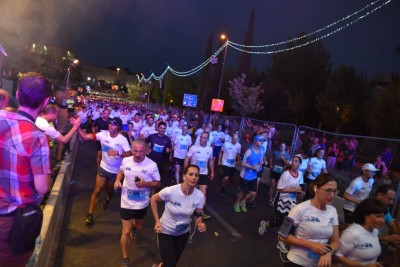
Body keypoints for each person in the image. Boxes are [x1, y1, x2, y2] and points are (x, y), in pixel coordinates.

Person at [0, 72, 52, 267]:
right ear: (45, 101)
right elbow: (42, 187)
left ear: (17, 94)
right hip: (11, 221)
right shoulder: (37, 137)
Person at [77, 117, 132, 226]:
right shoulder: (103, 135)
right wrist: (77, 126)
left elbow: (129, 154)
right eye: (110, 124)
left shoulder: (122, 140)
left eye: (114, 125)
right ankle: (90, 214)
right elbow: (85, 136)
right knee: (97, 190)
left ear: (118, 127)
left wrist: (119, 153)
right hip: (103, 167)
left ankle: (108, 198)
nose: (111, 126)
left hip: (115, 171)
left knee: (109, 190)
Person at [114, 140, 161, 267]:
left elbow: (157, 182)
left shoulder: (152, 165)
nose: (138, 154)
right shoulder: (126, 161)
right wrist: (118, 180)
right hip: (126, 202)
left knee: (138, 226)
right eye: (135, 151)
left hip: (142, 204)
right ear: (132, 149)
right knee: (126, 231)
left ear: (146, 151)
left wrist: (145, 183)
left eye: (141, 151)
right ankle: (125, 257)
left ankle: (136, 228)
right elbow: (121, 171)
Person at [150, 165, 206, 267]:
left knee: (173, 261)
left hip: (183, 233)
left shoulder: (200, 196)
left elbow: (198, 215)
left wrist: (200, 223)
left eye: (196, 175)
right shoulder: (171, 191)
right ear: (184, 176)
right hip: (165, 231)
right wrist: (157, 221)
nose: (194, 177)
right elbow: (153, 199)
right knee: (170, 264)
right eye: (191, 174)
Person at [280, 173, 340, 267]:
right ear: (316, 188)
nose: (332, 195)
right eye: (328, 190)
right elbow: (282, 236)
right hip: (297, 262)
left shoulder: (332, 211)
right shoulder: (299, 209)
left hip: (319, 264)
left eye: (334, 191)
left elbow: (335, 241)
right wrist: (309, 244)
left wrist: (329, 252)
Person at [259, 155, 305, 253]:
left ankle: (281, 242)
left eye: (296, 161)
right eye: (293, 161)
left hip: (291, 202)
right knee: (278, 222)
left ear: (300, 164)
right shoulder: (286, 174)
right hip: (281, 201)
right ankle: (265, 224)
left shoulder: (300, 174)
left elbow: (300, 186)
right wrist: (294, 189)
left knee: (288, 222)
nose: (293, 163)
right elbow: (280, 189)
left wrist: (301, 192)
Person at [336, 198, 385, 267]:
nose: (383, 220)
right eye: (378, 216)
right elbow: (338, 256)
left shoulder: (375, 230)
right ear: (366, 215)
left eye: (383, 216)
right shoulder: (352, 233)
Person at [184, 132, 214, 220]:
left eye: (204, 138)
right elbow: (187, 159)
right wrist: (186, 171)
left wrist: (212, 172)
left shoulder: (210, 149)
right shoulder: (193, 148)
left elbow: (211, 161)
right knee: (191, 191)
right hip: (194, 173)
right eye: (201, 137)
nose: (202, 139)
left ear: (208, 140)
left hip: (204, 173)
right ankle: (187, 208)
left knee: (203, 192)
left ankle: (200, 212)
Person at [234, 135, 265, 213]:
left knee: (253, 193)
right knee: (243, 191)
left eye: (262, 141)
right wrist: (252, 167)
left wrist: (261, 164)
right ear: (255, 141)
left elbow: (261, 160)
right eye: (259, 141)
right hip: (245, 175)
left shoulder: (261, 150)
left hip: (254, 175)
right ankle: (237, 204)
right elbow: (242, 162)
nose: (261, 142)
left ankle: (243, 202)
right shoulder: (249, 151)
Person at [146, 121, 172, 189]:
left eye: (164, 128)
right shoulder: (152, 136)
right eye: (161, 128)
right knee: (148, 177)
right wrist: (147, 148)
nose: (162, 129)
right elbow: (145, 142)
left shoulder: (167, 139)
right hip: (150, 160)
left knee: (156, 179)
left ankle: (153, 192)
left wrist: (169, 150)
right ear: (158, 128)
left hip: (161, 162)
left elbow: (170, 149)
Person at [268, 142, 291, 207]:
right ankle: (270, 200)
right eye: (281, 146)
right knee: (272, 185)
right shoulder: (275, 152)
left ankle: (274, 199)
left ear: (285, 147)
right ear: (279, 147)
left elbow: (288, 165)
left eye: (283, 147)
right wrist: (270, 164)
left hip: (281, 172)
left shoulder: (287, 155)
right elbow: (271, 158)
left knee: (277, 186)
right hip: (274, 170)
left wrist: (283, 159)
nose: (282, 148)